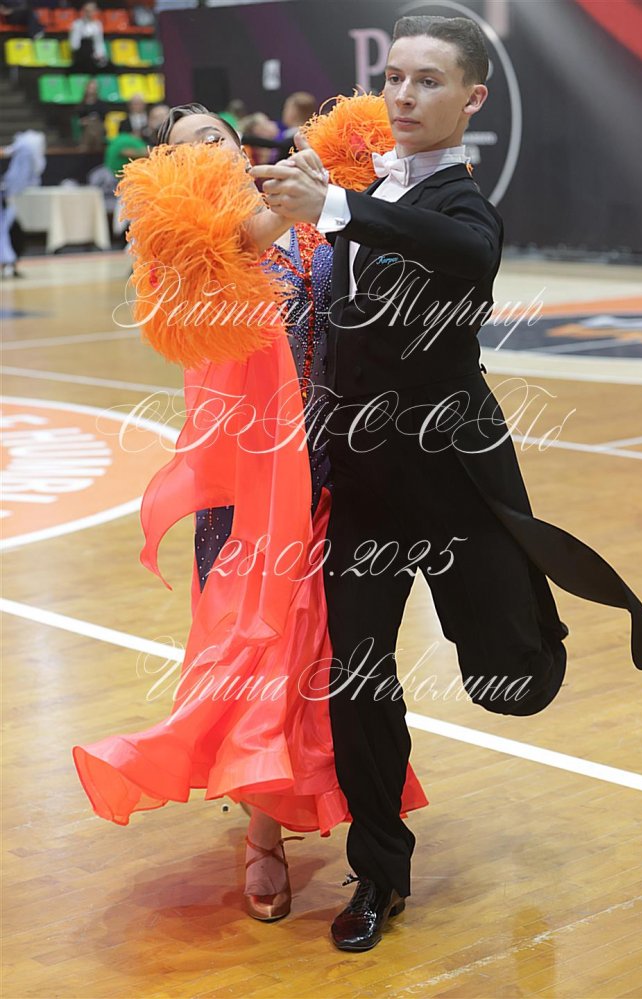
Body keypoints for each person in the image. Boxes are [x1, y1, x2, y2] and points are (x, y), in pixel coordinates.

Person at [252, 14, 642, 952]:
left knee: (513, 678)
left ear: (473, 98)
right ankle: (378, 875)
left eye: (428, 81)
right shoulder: (360, 192)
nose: (403, 95)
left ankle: (530, 630)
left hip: (454, 486)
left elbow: (467, 254)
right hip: (363, 490)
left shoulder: (458, 207)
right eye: (394, 77)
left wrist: (339, 206)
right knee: (357, 684)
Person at [72, 103, 427, 923]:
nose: (215, 148)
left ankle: (358, 810)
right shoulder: (178, 240)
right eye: (192, 143)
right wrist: (312, 191)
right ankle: (264, 835)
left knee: (334, 653)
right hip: (248, 490)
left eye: (221, 136)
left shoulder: (302, 218)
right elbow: (238, 242)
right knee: (260, 658)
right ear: (165, 169)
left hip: (340, 467)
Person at [0, 129, 46, 278]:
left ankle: (8, 263)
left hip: (9, 197)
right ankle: (8, 262)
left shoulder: (24, 151)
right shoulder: (25, 151)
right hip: (10, 195)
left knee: (8, 231)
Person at [69, 1, 107, 74]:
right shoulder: (77, 24)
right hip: (80, 54)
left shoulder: (98, 24)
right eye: (87, 11)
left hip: (93, 55)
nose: (89, 13)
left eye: (91, 11)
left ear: (95, 11)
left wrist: (99, 55)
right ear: (83, 11)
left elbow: (99, 42)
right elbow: (74, 45)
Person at [76, 79, 106, 151]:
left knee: (92, 126)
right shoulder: (82, 103)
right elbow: (79, 116)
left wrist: (91, 120)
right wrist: (85, 120)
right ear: (86, 88)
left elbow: (103, 117)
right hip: (84, 125)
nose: (92, 90)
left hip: (98, 125)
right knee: (89, 127)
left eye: (94, 88)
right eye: (90, 88)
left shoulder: (101, 104)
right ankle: (97, 147)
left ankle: (85, 146)